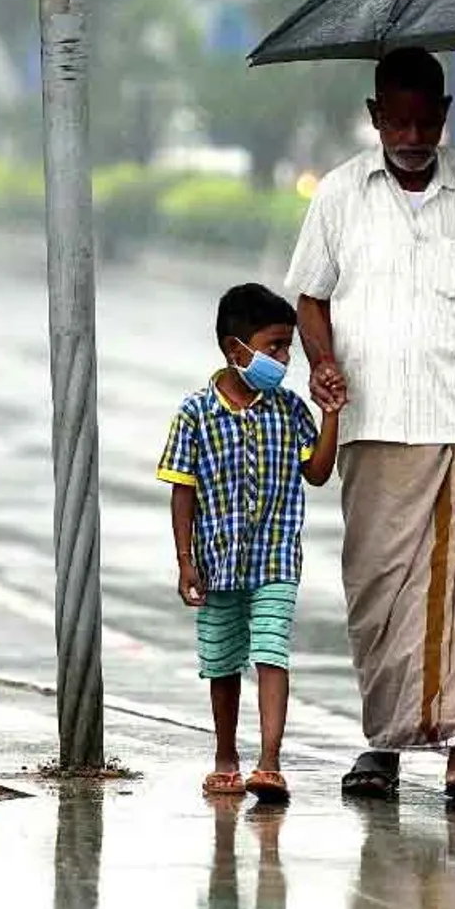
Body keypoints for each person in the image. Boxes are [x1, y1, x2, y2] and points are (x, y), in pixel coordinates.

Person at [286, 46, 455, 801]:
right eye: (396, 119)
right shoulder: (339, 194)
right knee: (378, 586)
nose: (411, 133)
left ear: (445, 115)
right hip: (372, 421)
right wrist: (322, 363)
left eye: (425, 118)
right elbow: (309, 297)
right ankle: (383, 749)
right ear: (374, 118)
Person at [159, 282, 341, 803]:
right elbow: (182, 492)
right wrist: (185, 560)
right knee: (221, 660)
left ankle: (269, 762)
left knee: (270, 649)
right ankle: (225, 756)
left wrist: (330, 415)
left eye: (288, 347)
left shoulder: (289, 409)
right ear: (236, 350)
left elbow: (319, 472)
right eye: (275, 347)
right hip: (218, 561)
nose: (285, 358)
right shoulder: (195, 414)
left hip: (276, 557)